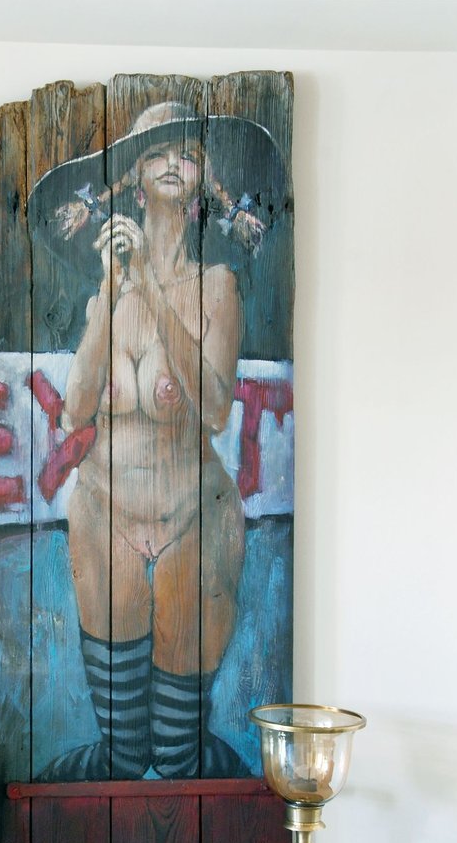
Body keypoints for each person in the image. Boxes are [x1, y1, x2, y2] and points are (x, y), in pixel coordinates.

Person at [29, 101, 285, 780]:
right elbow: (74, 413)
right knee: (121, 756)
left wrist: (148, 281)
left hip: (192, 516)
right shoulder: (105, 298)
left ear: (201, 189)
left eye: (189, 154)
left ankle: (236, 786)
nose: (174, 162)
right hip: (105, 514)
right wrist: (114, 288)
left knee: (174, 756)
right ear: (136, 184)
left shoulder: (217, 288)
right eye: (157, 154)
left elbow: (214, 410)